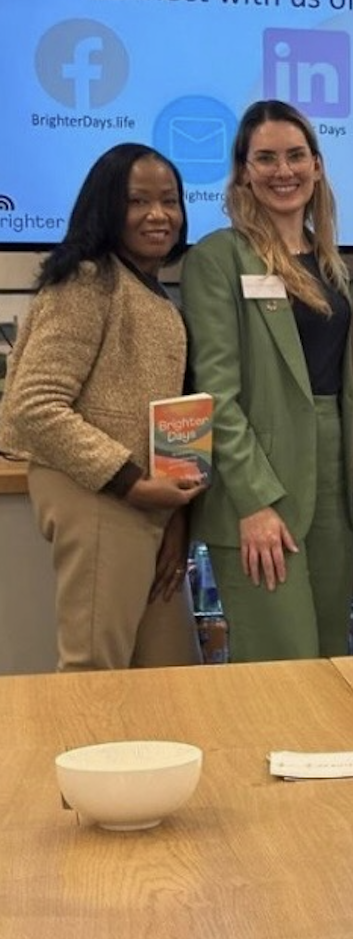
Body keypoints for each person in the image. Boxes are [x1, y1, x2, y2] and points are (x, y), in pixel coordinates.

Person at [0, 144, 203, 670]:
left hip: (149, 507)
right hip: (100, 499)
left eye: (170, 201)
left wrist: (175, 514)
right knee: (95, 671)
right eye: (138, 201)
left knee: (172, 674)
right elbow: (35, 404)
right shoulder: (88, 280)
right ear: (106, 207)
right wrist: (132, 483)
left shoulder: (151, 289)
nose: (159, 215)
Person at [180, 100, 353, 661]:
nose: (285, 171)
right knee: (282, 663)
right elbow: (217, 397)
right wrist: (254, 503)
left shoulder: (329, 262)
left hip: (332, 477)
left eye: (296, 155)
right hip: (260, 481)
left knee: (332, 658)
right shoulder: (218, 259)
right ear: (244, 172)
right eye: (266, 158)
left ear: (318, 165)